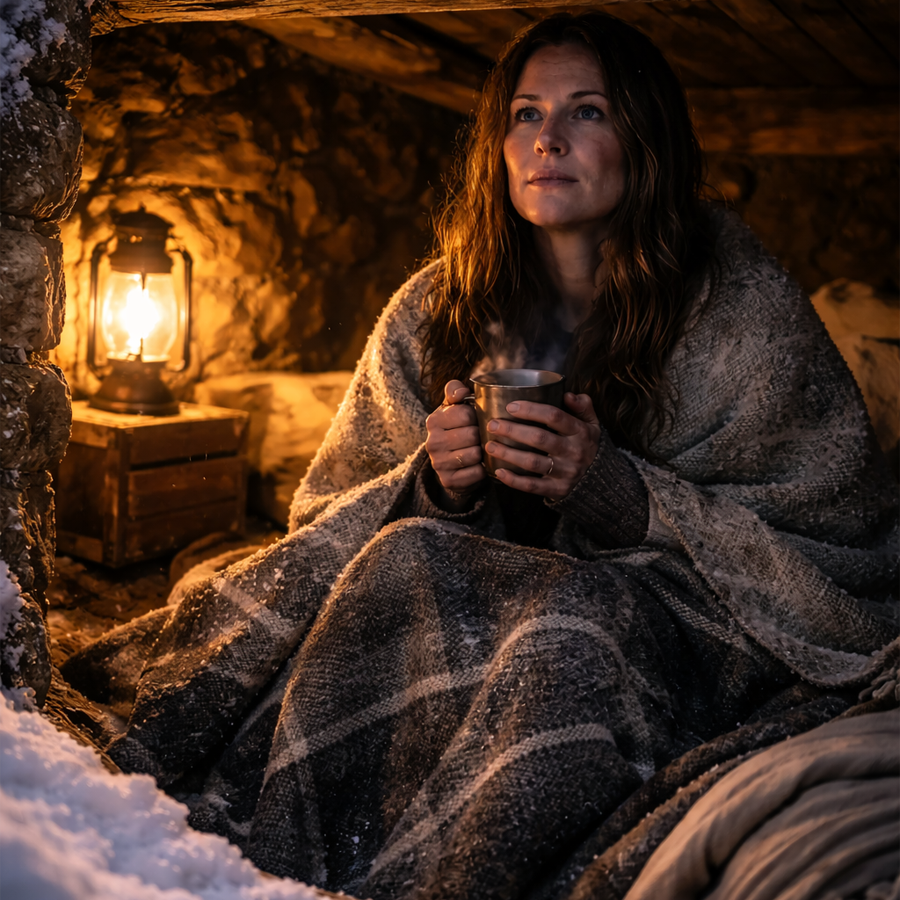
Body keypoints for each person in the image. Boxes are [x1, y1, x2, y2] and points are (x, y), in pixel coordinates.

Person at [62, 12, 898, 900]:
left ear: (643, 139)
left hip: (659, 623)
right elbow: (331, 512)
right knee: (400, 556)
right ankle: (292, 856)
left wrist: (622, 496)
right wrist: (437, 484)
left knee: (569, 623)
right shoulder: (439, 303)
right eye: (527, 115)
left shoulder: (734, 308)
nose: (549, 141)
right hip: (475, 599)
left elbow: (845, 547)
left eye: (588, 113)